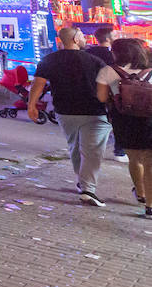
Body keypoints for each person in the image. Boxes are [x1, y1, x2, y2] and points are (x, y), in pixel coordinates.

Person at [32, 26, 112, 207]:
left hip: (64, 111)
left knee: (75, 147)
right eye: (82, 36)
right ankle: (87, 189)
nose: (85, 39)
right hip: (94, 112)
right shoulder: (94, 60)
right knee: (92, 151)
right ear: (76, 39)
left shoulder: (49, 60)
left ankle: (82, 181)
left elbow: (38, 83)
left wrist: (31, 105)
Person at [94, 38, 152, 218]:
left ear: (116, 53)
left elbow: (102, 98)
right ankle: (151, 205)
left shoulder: (108, 71)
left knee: (134, 159)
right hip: (150, 120)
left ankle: (141, 194)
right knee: (150, 161)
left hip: (124, 120)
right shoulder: (150, 71)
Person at [87, 27, 127, 163]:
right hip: (110, 93)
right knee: (117, 122)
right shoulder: (114, 56)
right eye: (114, 35)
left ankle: (93, 151)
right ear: (109, 39)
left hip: (90, 92)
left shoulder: (87, 53)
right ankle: (119, 151)